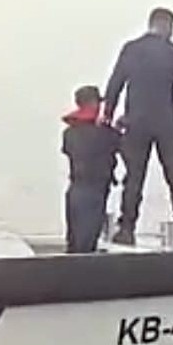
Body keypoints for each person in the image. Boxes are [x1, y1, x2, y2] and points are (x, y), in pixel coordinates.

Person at [103, 6, 173, 245]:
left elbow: (115, 83)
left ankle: (126, 229)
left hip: (136, 122)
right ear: (164, 25)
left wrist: (108, 114)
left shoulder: (131, 49)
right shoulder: (171, 51)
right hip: (166, 122)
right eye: (171, 28)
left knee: (134, 177)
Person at [61, 85, 121, 253]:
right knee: (87, 244)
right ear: (93, 104)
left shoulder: (69, 133)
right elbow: (121, 144)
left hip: (75, 190)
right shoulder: (104, 133)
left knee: (74, 243)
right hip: (95, 191)